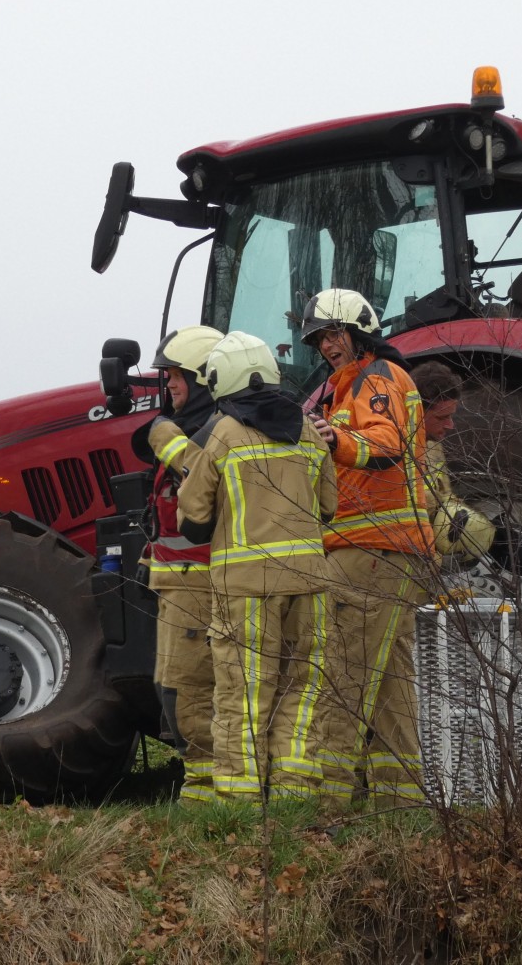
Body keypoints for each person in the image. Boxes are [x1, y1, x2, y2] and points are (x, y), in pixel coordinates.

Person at [176, 331, 336, 801]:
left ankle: (240, 799)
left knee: (243, 692)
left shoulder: (223, 434)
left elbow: (193, 520)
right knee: (303, 689)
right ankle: (294, 794)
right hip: (311, 584)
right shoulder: (309, 430)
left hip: (245, 589)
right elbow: (330, 506)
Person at [301, 288, 435, 808]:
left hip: (372, 549)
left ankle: (326, 804)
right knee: (389, 684)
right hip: (387, 550)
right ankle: (400, 806)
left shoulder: (376, 378)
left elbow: (386, 443)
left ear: (360, 332)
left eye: (334, 333)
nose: (326, 345)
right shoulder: (344, 390)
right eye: (319, 339)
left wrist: (335, 441)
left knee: (343, 673)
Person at [142, 324, 224, 803]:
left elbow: (202, 488)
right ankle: (201, 786)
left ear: (204, 378)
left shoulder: (216, 431)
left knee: (189, 689)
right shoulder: (192, 427)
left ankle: (207, 794)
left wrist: (166, 440)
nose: (169, 384)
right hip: (177, 579)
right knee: (171, 688)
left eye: (176, 375)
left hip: (199, 581)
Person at [408, 361, 522, 578]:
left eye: (451, 415)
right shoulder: (388, 452)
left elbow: (443, 501)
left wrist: (486, 535)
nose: (450, 425)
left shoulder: (431, 447)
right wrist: (441, 564)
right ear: (415, 411)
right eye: (442, 417)